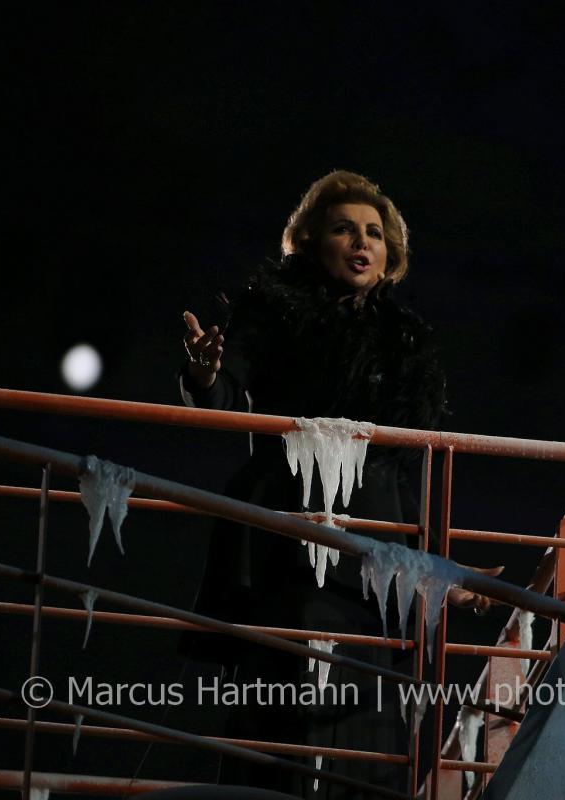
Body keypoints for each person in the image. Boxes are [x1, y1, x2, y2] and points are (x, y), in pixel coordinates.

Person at [177, 171, 455, 796]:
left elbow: (401, 467)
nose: (362, 241)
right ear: (310, 244)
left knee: (370, 719)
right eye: (344, 228)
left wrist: (435, 565)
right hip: (292, 530)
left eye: (374, 233)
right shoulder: (272, 309)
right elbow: (224, 395)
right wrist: (203, 375)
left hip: (378, 546)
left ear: (390, 257)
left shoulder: (405, 342)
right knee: (291, 697)